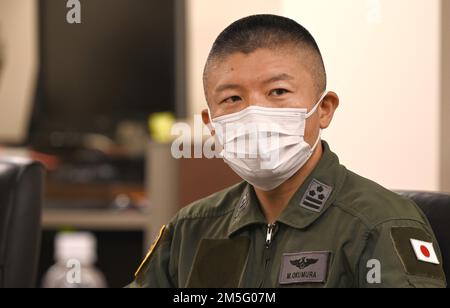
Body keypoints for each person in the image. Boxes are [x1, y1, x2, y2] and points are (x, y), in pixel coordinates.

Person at [128, 14, 446, 288]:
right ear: (211, 124)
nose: (254, 113)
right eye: (232, 99)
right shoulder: (190, 229)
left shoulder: (378, 224)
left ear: (324, 109)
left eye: (278, 92)